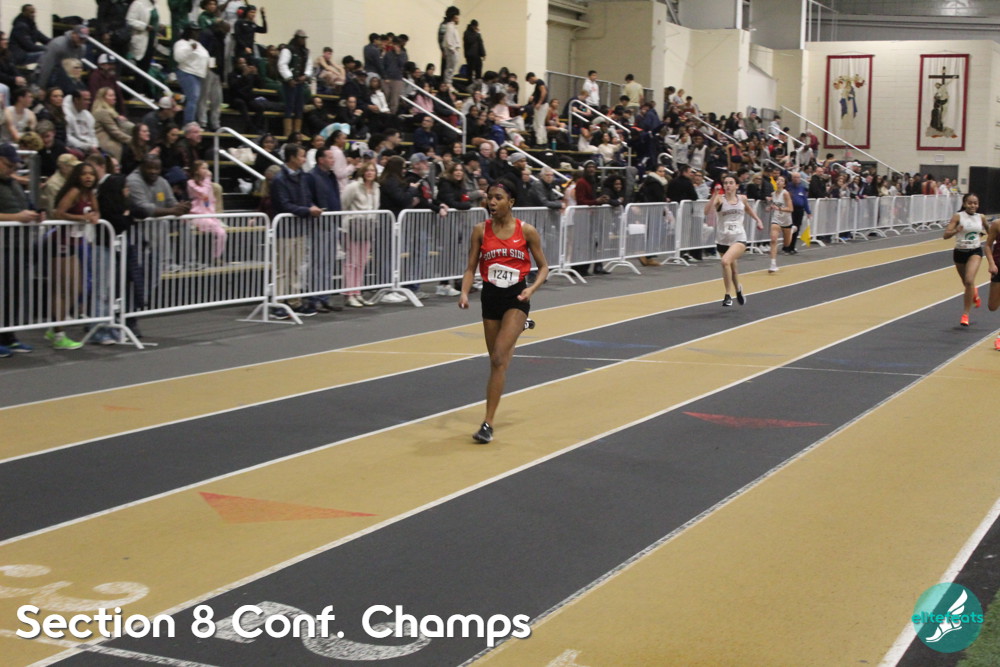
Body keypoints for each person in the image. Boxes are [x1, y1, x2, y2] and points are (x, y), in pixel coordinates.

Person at [458, 177, 548, 443]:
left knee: (499, 356)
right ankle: (519, 327)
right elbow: (470, 268)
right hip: (491, 297)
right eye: (490, 197)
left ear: (511, 202)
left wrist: (531, 289)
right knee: (497, 363)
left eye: (498, 197)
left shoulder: (527, 231)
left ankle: (487, 423)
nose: (492, 202)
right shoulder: (480, 230)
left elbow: (544, 267)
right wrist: (464, 292)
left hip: (516, 297)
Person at [0, 143, 38, 356]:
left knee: (13, 293)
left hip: (19, 245)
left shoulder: (12, 183)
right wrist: (16, 217)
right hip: (2, 246)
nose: (12, 169)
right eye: (8, 165)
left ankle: (8, 336)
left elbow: (27, 206)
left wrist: (35, 214)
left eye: (14, 166)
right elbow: (15, 214)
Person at [707, 173, 763, 307]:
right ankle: (738, 289)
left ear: (737, 186)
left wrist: (758, 220)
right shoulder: (719, 199)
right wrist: (714, 194)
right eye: (726, 183)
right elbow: (707, 211)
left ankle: (727, 295)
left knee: (725, 261)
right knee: (732, 269)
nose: (728, 185)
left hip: (739, 237)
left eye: (731, 183)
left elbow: (748, 210)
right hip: (723, 238)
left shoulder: (742, 199)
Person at [943, 193, 988, 327]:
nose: (973, 205)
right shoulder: (958, 216)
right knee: (967, 283)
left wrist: (989, 237)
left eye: (975, 203)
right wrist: (956, 231)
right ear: (964, 204)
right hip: (959, 252)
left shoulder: (981, 217)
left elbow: (991, 231)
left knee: (969, 280)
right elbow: (945, 235)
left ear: (978, 205)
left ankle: (965, 314)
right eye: (970, 203)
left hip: (975, 251)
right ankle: (974, 292)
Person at [341, 161, 380, 308]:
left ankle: (357, 291)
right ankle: (349, 293)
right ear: (362, 172)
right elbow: (344, 204)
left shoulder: (376, 188)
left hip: (368, 226)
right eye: (367, 170)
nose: (370, 173)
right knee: (351, 261)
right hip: (353, 225)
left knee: (362, 261)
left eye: (372, 170)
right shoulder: (353, 187)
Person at [186, 160, 226, 261]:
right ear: (196, 170)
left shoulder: (207, 184)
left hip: (209, 214)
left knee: (222, 233)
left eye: (207, 168)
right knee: (212, 226)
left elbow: (210, 199)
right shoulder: (190, 183)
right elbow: (203, 193)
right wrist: (208, 179)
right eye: (203, 168)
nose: (207, 171)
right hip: (197, 215)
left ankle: (216, 257)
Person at [278, 29, 313, 138]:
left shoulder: (306, 52)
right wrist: (289, 78)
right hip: (289, 83)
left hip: (300, 82)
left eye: (304, 39)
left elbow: (309, 65)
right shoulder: (287, 50)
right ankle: (288, 133)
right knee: (289, 106)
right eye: (301, 38)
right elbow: (282, 64)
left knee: (299, 107)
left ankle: (297, 132)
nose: (303, 40)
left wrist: (306, 75)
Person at [173, 25, 209, 125]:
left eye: (198, 31)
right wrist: (190, 49)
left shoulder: (198, 44)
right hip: (187, 72)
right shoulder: (181, 43)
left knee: (193, 99)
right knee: (193, 97)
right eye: (194, 31)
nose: (196, 33)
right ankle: (189, 122)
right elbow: (178, 58)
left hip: (198, 74)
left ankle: (184, 120)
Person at [91, 87, 133, 159]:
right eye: (110, 96)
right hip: (107, 143)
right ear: (102, 98)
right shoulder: (102, 112)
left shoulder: (111, 112)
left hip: (114, 140)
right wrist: (132, 140)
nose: (114, 98)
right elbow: (114, 131)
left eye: (114, 95)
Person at [767, 175, 794, 273]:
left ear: (784, 184)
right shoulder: (773, 194)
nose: (779, 182)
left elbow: (791, 209)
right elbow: (773, 204)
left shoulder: (785, 194)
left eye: (781, 180)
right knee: (773, 240)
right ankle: (773, 264)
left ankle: (792, 230)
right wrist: (770, 207)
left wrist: (779, 208)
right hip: (776, 219)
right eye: (778, 180)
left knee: (786, 244)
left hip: (786, 220)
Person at [438, 6, 460, 87]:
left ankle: (447, 83)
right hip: (447, 50)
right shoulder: (445, 25)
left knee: (451, 68)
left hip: (451, 50)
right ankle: (444, 84)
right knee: (446, 68)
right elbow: (441, 38)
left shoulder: (453, 26)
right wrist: (443, 50)